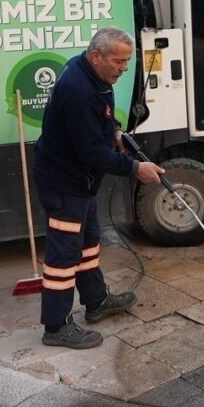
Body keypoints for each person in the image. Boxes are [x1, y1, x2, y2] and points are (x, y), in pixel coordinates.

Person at [34, 26, 164, 349]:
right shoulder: (79, 90)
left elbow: (101, 120)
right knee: (64, 254)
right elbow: (91, 152)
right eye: (118, 62)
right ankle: (56, 326)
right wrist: (136, 169)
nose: (123, 68)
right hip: (64, 183)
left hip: (82, 182)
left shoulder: (93, 74)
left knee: (88, 243)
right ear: (97, 56)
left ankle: (96, 300)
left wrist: (116, 132)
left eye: (127, 62)